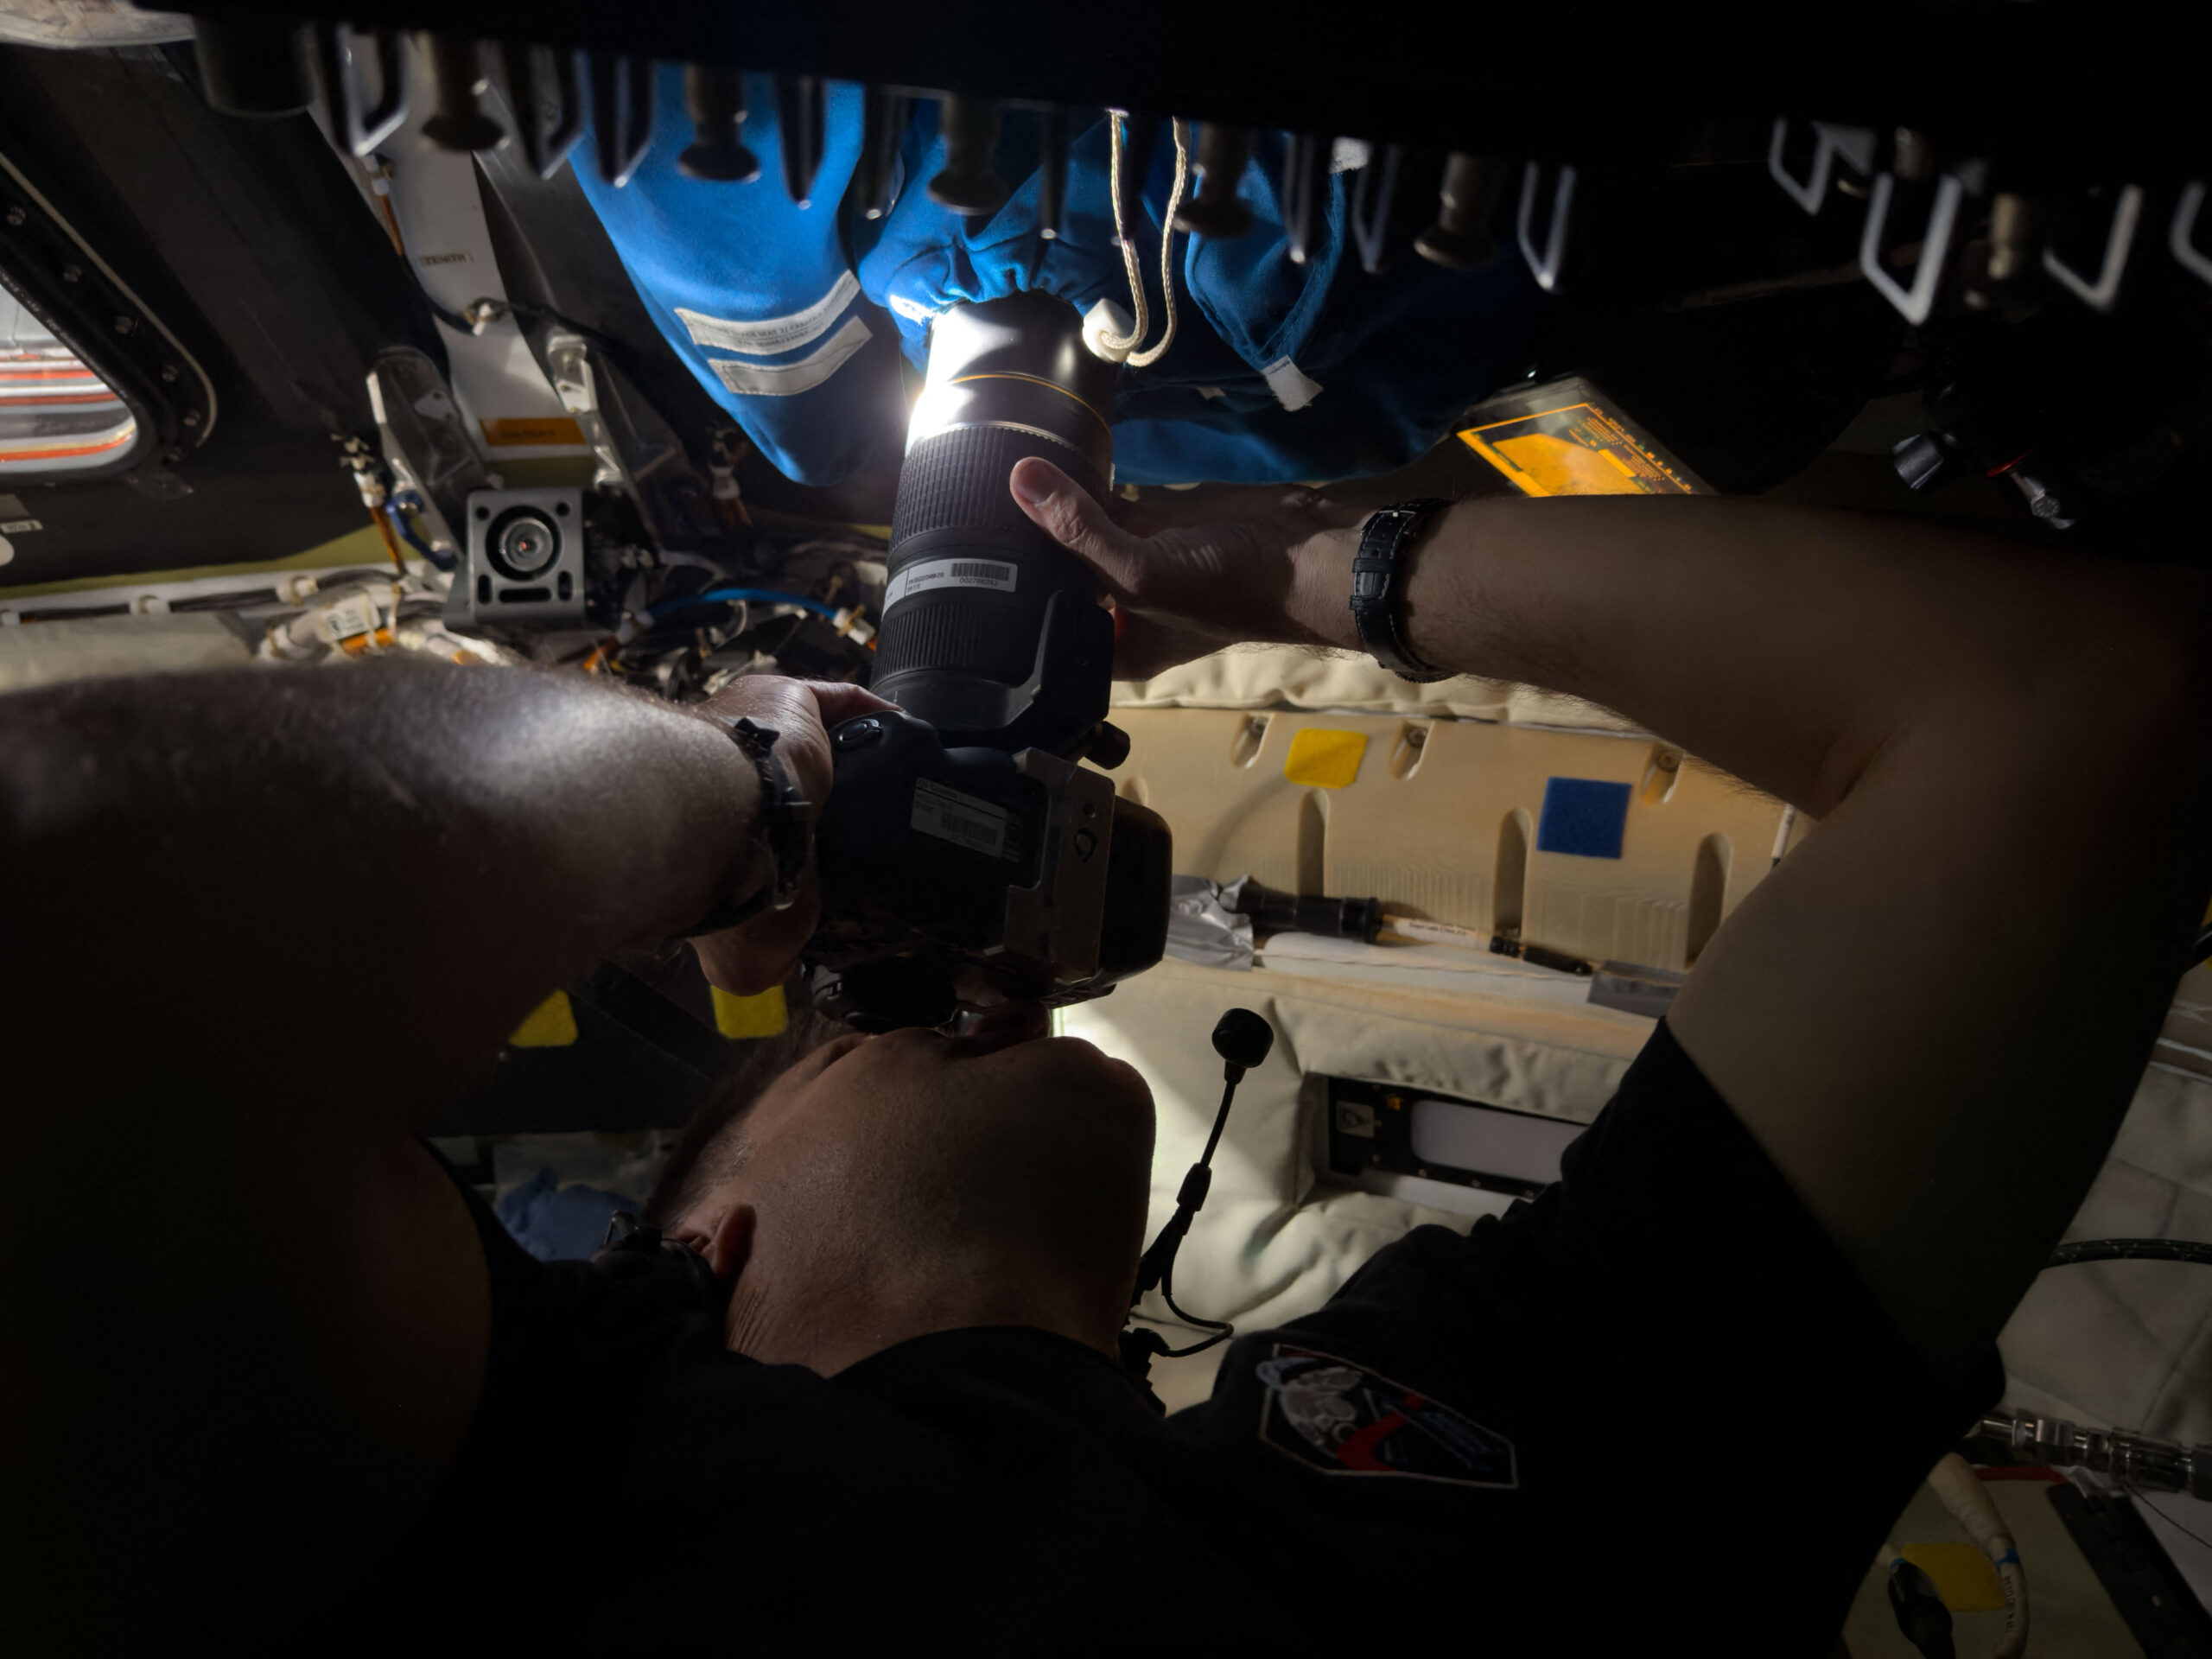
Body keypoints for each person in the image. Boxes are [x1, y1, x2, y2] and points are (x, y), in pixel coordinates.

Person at [4, 457, 2205, 1655]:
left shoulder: (527, 1524)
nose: (993, 992)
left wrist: (1274, 560)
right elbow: (2070, 717)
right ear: (710, 1252)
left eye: (878, 1003)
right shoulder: (1445, 1519)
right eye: (880, 1002)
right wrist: (761, 801)